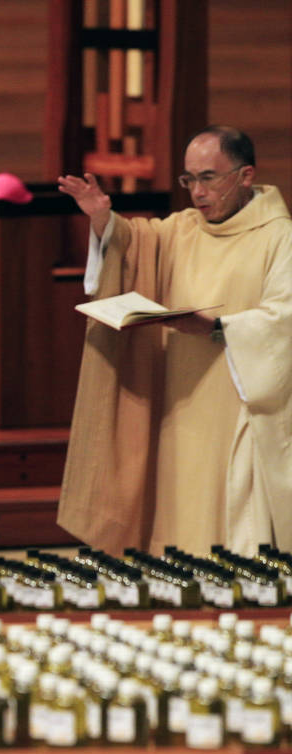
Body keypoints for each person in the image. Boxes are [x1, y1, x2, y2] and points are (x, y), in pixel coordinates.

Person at [57, 126, 292, 556]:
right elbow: (134, 246)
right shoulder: (183, 228)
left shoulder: (280, 236)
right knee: (179, 508)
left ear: (245, 175)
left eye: (208, 178)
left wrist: (221, 328)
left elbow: (285, 320)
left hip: (239, 405)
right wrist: (102, 220)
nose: (197, 192)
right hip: (180, 401)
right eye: (188, 180)